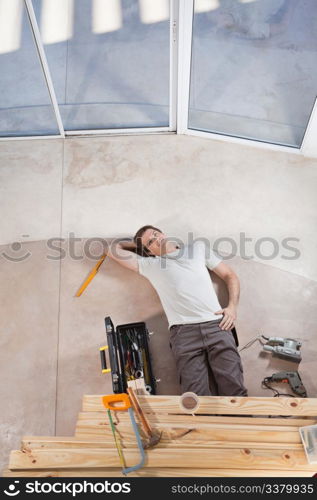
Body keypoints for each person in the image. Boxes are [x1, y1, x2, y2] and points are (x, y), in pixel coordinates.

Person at [107, 225, 247, 397]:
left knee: (234, 389)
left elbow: (229, 275)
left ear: (163, 233)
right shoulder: (151, 264)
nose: (157, 239)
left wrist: (232, 307)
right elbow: (112, 249)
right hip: (184, 334)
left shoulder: (197, 249)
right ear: (148, 251)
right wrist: (137, 244)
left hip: (218, 326)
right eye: (151, 241)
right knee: (195, 397)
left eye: (156, 234)